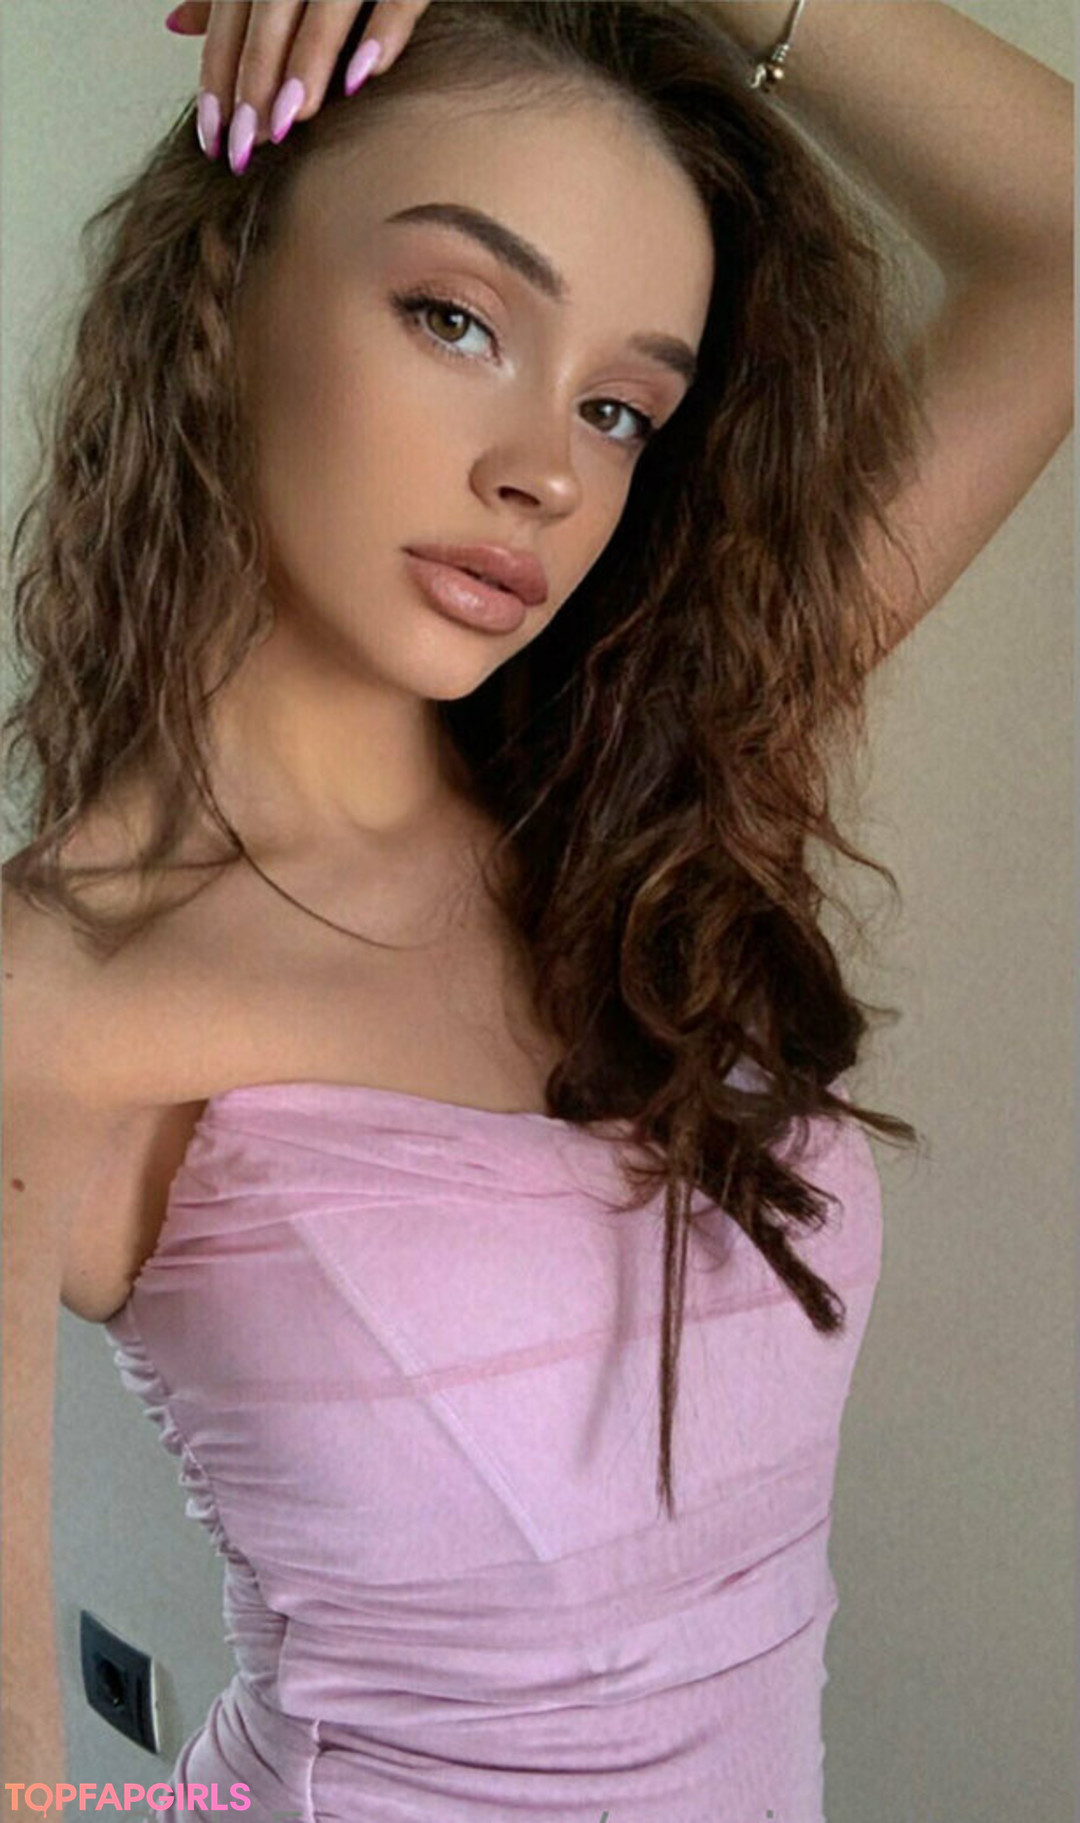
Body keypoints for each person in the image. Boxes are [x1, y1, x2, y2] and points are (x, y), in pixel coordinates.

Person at [1, 2, 1071, 1818]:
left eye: (619, 407)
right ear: (225, 290)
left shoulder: (650, 794)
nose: (548, 473)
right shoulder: (57, 996)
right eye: (458, 317)